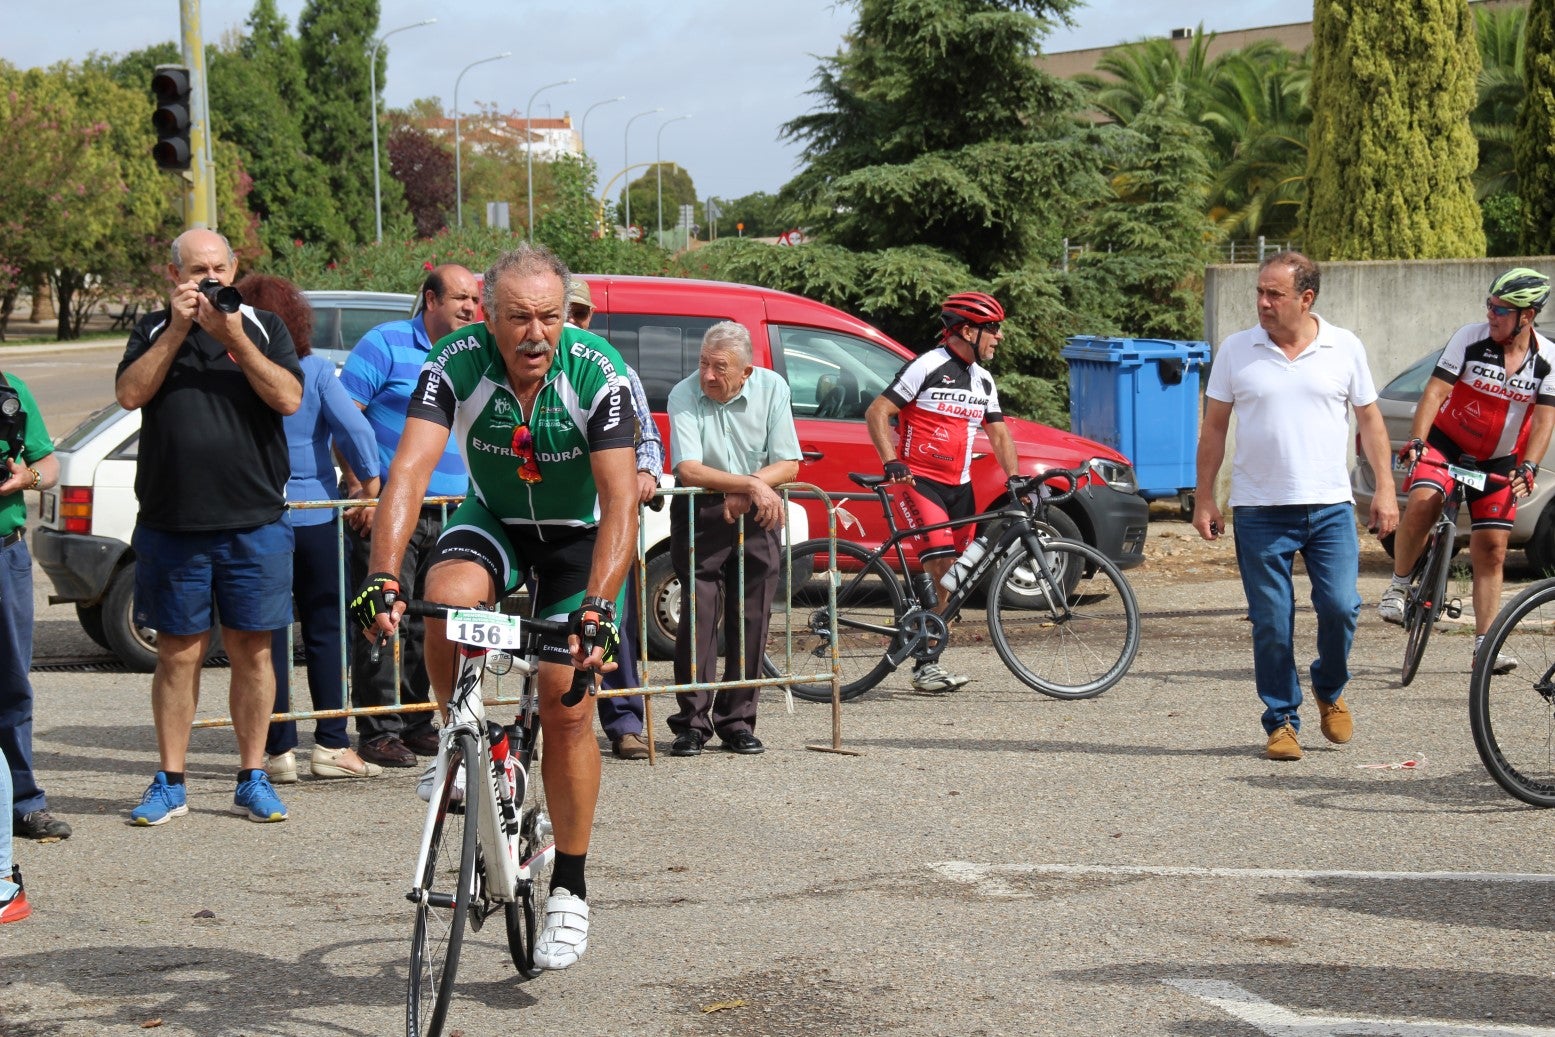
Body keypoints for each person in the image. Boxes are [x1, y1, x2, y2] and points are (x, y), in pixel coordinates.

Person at [352, 244, 638, 970]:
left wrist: (597, 608)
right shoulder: (453, 362)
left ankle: (569, 888)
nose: (535, 333)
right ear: (488, 313)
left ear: (564, 316)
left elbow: (619, 501)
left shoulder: (596, 373)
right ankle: (460, 732)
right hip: (497, 519)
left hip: (579, 540)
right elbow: (409, 471)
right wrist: (384, 573)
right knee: (444, 601)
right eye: (517, 318)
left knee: (563, 697)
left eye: (548, 317)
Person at [116, 228, 304, 823]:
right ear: (174, 276)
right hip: (174, 524)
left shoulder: (264, 325)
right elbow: (129, 394)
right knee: (177, 654)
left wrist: (236, 340)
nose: (209, 281)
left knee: (254, 653)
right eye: (197, 272)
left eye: (218, 270)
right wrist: (177, 330)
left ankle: (252, 775)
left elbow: (289, 399)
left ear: (235, 267)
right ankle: (170, 780)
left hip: (254, 523)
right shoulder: (152, 328)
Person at [1194, 250, 1399, 762]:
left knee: (1341, 607)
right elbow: (1214, 427)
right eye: (1259, 292)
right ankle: (1282, 719)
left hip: (1330, 507)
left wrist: (1387, 490)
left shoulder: (1343, 346)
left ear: (1306, 299)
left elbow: (1371, 422)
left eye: (1274, 294)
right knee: (1271, 619)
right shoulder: (1237, 351)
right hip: (1260, 509)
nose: (1262, 302)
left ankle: (1329, 687)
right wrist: (1203, 498)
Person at [233, 274, 384, 783]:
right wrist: (368, 483)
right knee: (326, 629)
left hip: (258, 512)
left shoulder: (239, 373)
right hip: (318, 512)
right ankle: (331, 744)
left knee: (266, 634)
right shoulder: (316, 370)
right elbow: (357, 430)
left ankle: (277, 751)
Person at [1378, 269, 1554, 673]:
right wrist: (1419, 439)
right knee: (1424, 501)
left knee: (1492, 550)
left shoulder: (1547, 360)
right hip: (1447, 444)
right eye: (1488, 305)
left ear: (1527, 316)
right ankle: (1400, 584)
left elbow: (1545, 420)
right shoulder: (1469, 339)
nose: (1490, 314)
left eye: (1501, 309)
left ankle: (1483, 647)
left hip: (1499, 460)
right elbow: (1435, 391)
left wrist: (1528, 465)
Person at [339, 264, 480, 769]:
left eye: (474, 300)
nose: (470, 308)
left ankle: (419, 720)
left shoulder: (471, 356)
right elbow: (346, 416)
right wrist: (361, 489)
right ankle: (378, 730)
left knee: (427, 623)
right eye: (460, 298)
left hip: (451, 511)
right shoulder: (385, 342)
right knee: (381, 616)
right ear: (430, 300)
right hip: (390, 509)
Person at [865, 291, 1022, 693]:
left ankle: (923, 636)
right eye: (993, 329)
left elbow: (999, 434)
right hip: (919, 482)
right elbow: (878, 411)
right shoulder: (927, 365)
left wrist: (1015, 478)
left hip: (961, 488)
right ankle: (926, 664)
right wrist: (890, 461)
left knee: (959, 577)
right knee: (944, 571)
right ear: (967, 330)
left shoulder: (983, 380)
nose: (999, 337)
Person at [665, 321, 801, 757]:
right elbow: (688, 469)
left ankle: (738, 720)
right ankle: (691, 723)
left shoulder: (772, 387)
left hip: (758, 510)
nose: (707, 375)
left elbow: (789, 463)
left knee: (753, 614)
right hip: (701, 508)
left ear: (746, 371)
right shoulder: (684, 393)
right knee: (699, 617)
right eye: (703, 363)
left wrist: (751, 488)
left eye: (719, 367)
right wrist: (749, 485)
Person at [568, 278, 656, 761]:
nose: (573, 323)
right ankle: (541, 722)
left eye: (581, 314)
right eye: (566, 313)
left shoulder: (615, 369)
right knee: (549, 627)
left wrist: (645, 470)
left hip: (606, 523)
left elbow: (650, 439)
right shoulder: (530, 367)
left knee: (612, 623)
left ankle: (625, 723)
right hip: (550, 525)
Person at [0, 371, 67, 842]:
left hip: (5, 553)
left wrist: (30, 477)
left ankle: (22, 804)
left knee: (12, 686)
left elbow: (49, 465)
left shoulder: (10, 390)